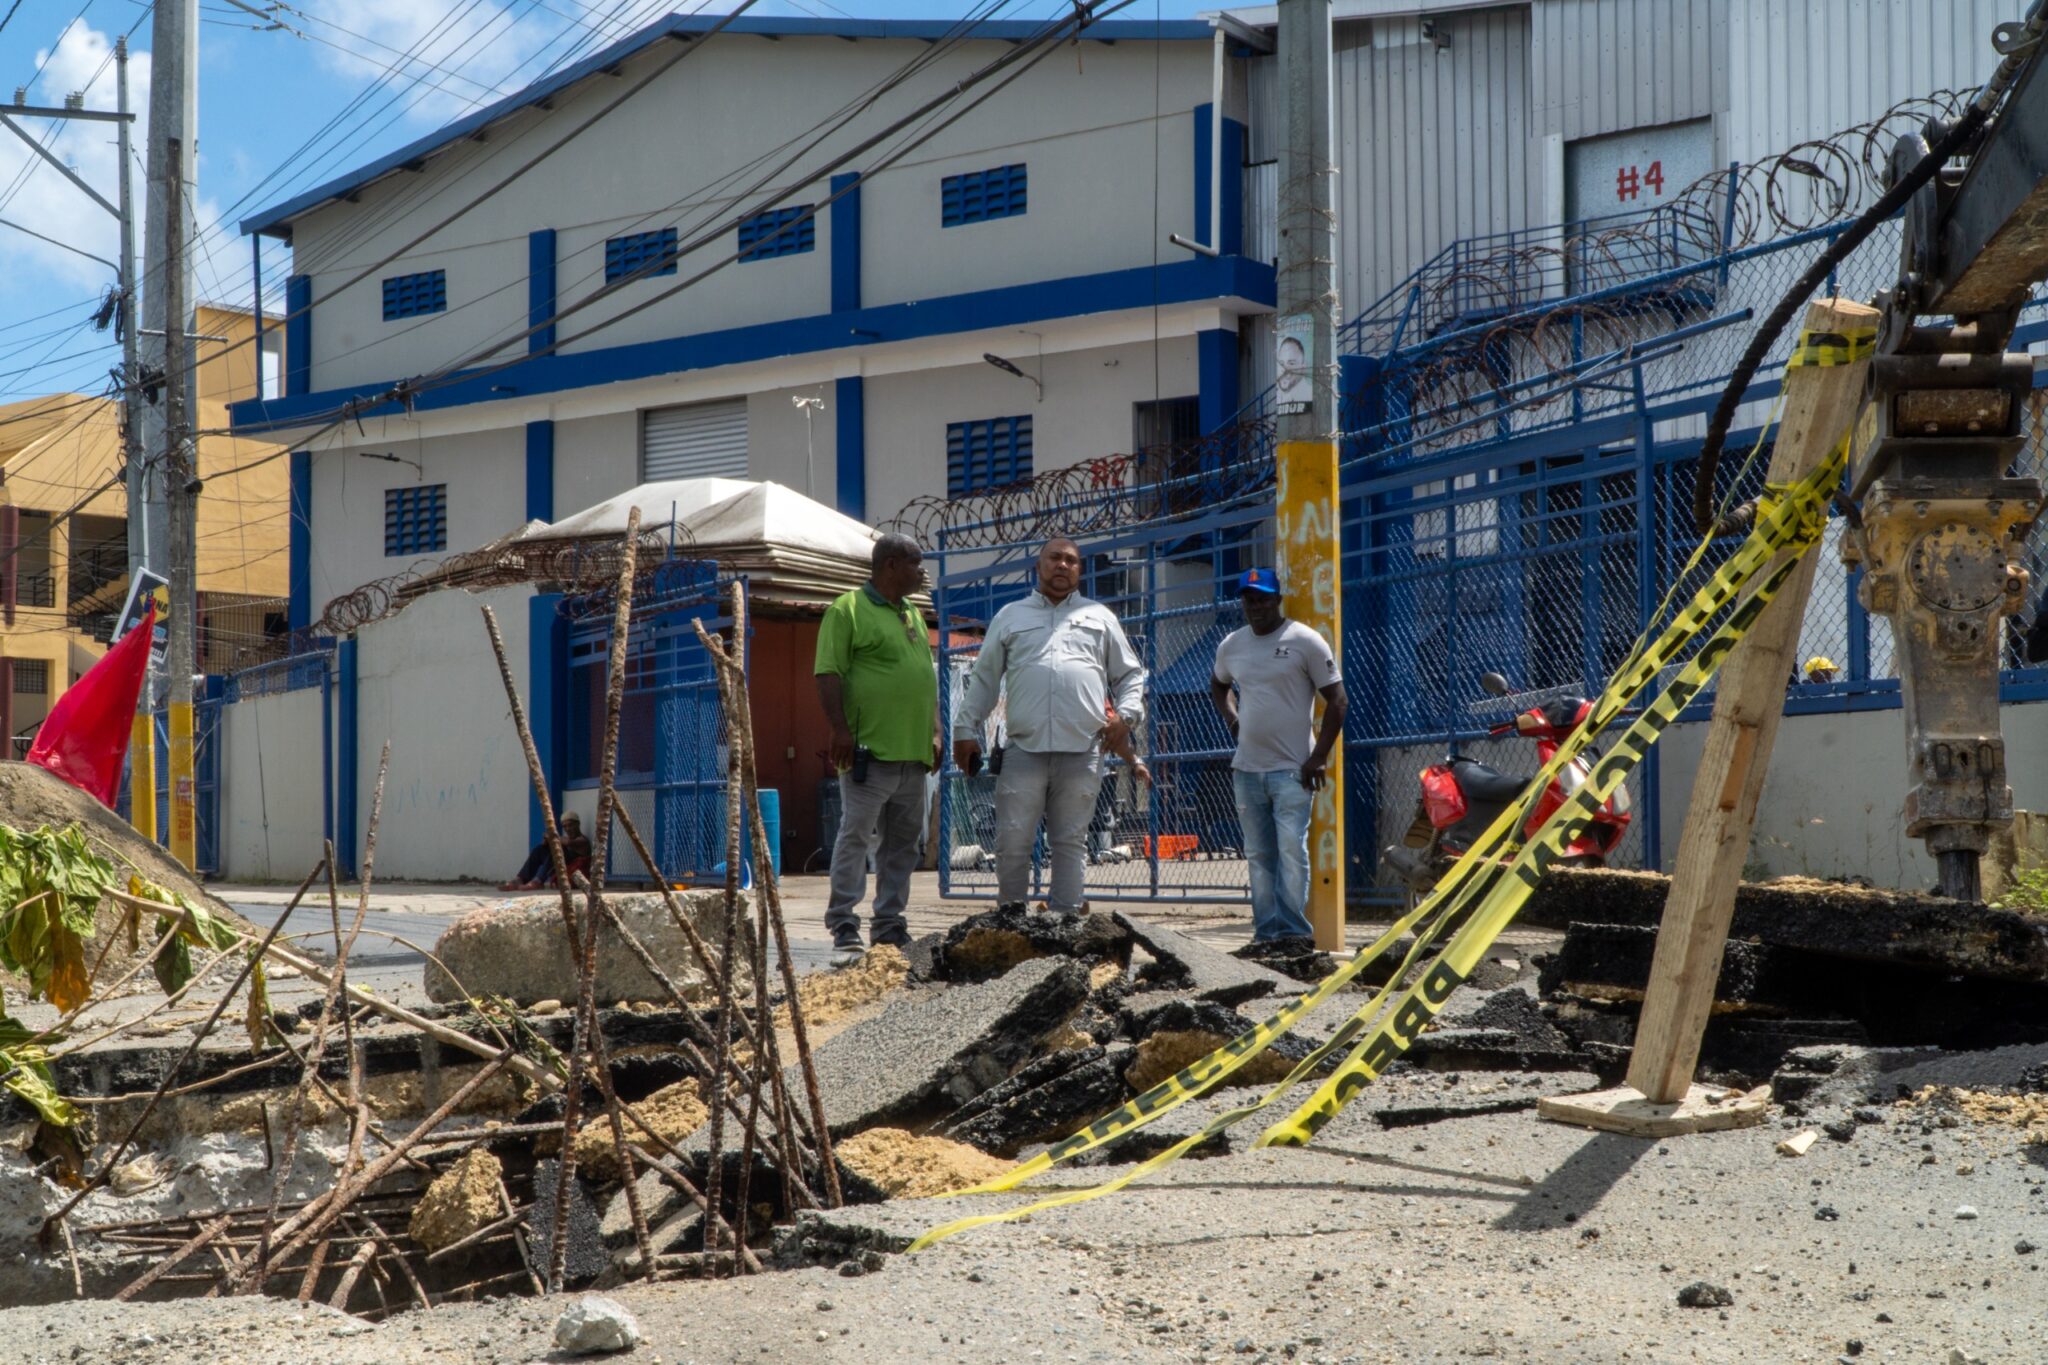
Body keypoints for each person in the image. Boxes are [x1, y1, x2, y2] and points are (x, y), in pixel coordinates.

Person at [954, 537, 1146, 914]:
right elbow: (985, 679)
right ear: (1038, 566)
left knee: (1071, 842)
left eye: (1071, 560)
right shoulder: (1010, 616)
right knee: (1012, 841)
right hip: (1023, 750)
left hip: (1082, 750)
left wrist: (1126, 716)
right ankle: (1011, 919)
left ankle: (1065, 920)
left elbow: (1130, 674)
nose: (1063, 565)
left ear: (1079, 570)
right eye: (1054, 558)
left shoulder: (1100, 617)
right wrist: (964, 730)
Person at [816, 532, 939, 966]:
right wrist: (839, 729)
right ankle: (843, 924)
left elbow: (924, 676)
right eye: (916, 563)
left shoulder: (912, 613)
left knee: (902, 846)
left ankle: (889, 925)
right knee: (855, 837)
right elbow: (827, 672)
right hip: (868, 753)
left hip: (913, 755)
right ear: (891, 565)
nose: (923, 572)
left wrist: (935, 732)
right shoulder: (847, 609)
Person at [1209, 567, 1347, 947]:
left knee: (1290, 851)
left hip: (1292, 770)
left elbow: (1338, 700)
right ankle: (1266, 935)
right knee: (1258, 855)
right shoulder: (1232, 645)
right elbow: (1218, 685)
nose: (1256, 606)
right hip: (1246, 769)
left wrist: (1318, 756)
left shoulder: (1305, 641)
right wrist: (1233, 719)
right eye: (1249, 600)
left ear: (1278, 600)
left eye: (1263, 599)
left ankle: (1293, 934)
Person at [499, 812, 590, 891]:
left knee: (557, 851)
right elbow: (551, 843)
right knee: (540, 849)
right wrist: (547, 841)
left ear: (578, 824)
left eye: (570, 825)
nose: (568, 829)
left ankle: (538, 881)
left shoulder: (583, 840)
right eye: (565, 826)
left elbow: (568, 842)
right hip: (562, 870)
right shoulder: (563, 839)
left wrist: (552, 837)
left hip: (574, 874)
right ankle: (521, 879)